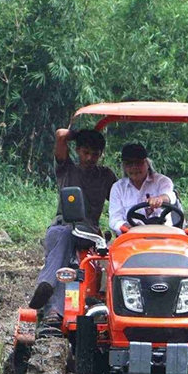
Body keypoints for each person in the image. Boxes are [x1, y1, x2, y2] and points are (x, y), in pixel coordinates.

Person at [28, 128, 116, 325]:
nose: (90, 158)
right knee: (62, 241)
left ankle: (47, 285)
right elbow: (60, 135)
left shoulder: (106, 176)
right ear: (77, 150)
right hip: (60, 227)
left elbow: (120, 201)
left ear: (101, 154)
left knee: (63, 243)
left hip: (88, 232)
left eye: (95, 154)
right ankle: (53, 308)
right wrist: (82, 133)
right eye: (85, 152)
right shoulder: (67, 169)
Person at [108, 142, 176, 234]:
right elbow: (115, 219)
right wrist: (132, 229)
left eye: (138, 163)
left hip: (164, 236)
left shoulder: (162, 181)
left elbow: (169, 195)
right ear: (124, 166)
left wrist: (160, 199)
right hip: (131, 238)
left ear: (147, 163)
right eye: (129, 164)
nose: (134, 168)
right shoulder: (118, 188)